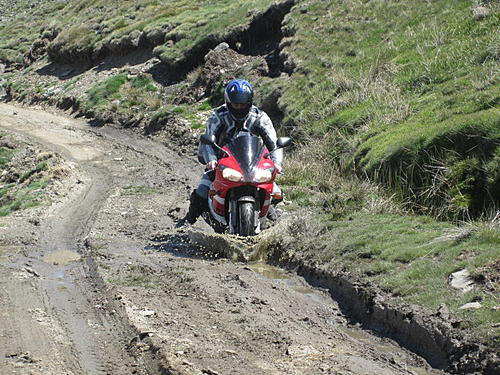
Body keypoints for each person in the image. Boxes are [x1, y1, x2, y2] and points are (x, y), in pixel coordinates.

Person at [180, 78, 283, 225]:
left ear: (250, 102)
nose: (239, 107)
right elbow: (209, 137)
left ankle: (271, 219)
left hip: (253, 162)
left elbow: (273, 142)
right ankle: (187, 223)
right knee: (202, 192)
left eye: (243, 104)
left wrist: (277, 163)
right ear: (228, 102)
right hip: (223, 162)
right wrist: (211, 159)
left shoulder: (260, 117)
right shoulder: (218, 116)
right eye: (236, 104)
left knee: (277, 193)